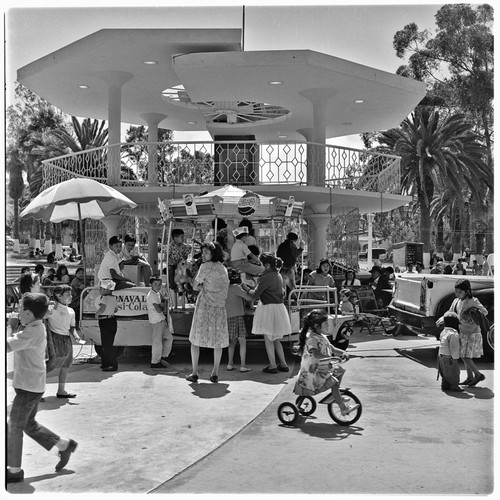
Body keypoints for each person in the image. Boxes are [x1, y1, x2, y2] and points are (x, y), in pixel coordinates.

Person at [6, 292, 78, 483]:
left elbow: (7, 346)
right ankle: (64, 445)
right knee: (28, 425)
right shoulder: (33, 326)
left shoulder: (33, 331)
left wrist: (8, 327)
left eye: (20, 310)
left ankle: (14, 470)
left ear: (28, 314)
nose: (17, 313)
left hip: (29, 387)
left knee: (13, 426)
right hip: (30, 385)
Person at [293, 309, 359, 416]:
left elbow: (331, 348)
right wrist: (331, 357)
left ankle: (335, 395)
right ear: (317, 326)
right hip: (313, 373)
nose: (328, 325)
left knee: (339, 371)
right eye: (326, 323)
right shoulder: (312, 339)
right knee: (333, 383)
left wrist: (343, 353)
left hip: (321, 368)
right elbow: (316, 354)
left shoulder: (322, 337)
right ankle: (343, 408)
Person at [186, 242, 230, 383]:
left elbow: (195, 285)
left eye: (206, 252)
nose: (203, 255)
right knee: (218, 341)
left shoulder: (205, 267)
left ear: (212, 254)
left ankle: (194, 372)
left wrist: (204, 288)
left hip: (205, 306)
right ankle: (215, 372)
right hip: (219, 307)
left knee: (195, 339)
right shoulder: (223, 268)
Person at [437, 279, 488, 387]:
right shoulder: (456, 301)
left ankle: (478, 375)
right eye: (456, 292)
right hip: (462, 332)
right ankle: (469, 378)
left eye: (460, 292)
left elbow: (484, 311)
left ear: (467, 291)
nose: (457, 294)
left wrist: (472, 313)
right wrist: (442, 318)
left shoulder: (473, 301)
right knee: (464, 355)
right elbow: (450, 312)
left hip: (472, 333)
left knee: (465, 356)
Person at [248, 253, 290, 374]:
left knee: (268, 338)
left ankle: (272, 365)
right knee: (276, 339)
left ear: (266, 265)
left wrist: (246, 288)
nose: (259, 266)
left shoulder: (266, 277)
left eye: (260, 264)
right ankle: (283, 363)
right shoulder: (277, 275)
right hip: (279, 308)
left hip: (268, 308)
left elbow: (255, 294)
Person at [45, 284, 82, 398]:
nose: (71, 297)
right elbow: (43, 316)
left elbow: (72, 327)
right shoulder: (52, 308)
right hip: (54, 339)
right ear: (58, 295)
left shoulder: (71, 311)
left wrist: (76, 336)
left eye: (71, 294)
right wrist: (51, 306)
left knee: (65, 365)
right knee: (48, 365)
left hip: (66, 339)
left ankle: (61, 390)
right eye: (68, 295)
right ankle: (37, 390)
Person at [225, 268, 254, 373]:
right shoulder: (236, 288)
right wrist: (246, 289)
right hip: (238, 316)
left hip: (227, 317)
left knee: (231, 342)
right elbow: (249, 298)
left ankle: (230, 363)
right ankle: (243, 365)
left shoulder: (224, 288)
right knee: (242, 341)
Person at [147, 276, 173, 369]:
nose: (158, 286)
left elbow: (161, 306)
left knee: (169, 338)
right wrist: (163, 304)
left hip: (161, 320)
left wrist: (163, 304)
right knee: (157, 343)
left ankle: (162, 357)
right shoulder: (152, 295)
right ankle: (155, 362)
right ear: (151, 285)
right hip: (156, 321)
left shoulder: (157, 294)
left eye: (159, 284)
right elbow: (158, 309)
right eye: (155, 284)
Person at [94, 279, 119, 372]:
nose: (100, 290)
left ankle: (111, 364)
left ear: (106, 289)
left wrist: (97, 314)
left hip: (105, 321)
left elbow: (102, 308)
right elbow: (116, 310)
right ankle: (106, 363)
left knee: (106, 344)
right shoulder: (113, 298)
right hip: (112, 320)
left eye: (102, 288)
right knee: (109, 343)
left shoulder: (104, 298)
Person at [436, 312, 462, 392]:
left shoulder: (444, 331)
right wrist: (455, 358)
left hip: (441, 355)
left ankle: (445, 385)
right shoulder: (453, 334)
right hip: (449, 356)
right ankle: (454, 386)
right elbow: (454, 348)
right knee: (454, 372)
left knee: (444, 371)